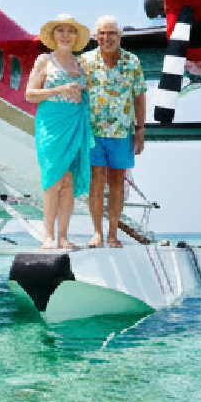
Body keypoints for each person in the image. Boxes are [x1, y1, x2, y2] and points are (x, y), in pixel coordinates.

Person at [25, 14, 94, 250]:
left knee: (68, 182)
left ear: (76, 37)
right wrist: (60, 89)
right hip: (51, 124)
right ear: (53, 35)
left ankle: (63, 237)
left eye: (70, 31)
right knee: (53, 179)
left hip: (75, 123)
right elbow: (30, 95)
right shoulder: (44, 60)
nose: (65, 35)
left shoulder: (82, 64)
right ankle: (48, 236)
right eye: (60, 30)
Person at [81, 15, 147, 248]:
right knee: (96, 182)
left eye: (111, 33)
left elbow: (139, 96)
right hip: (93, 131)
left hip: (122, 132)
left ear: (119, 36)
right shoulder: (85, 61)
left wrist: (140, 128)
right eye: (102, 33)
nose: (106, 37)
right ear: (95, 36)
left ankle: (112, 234)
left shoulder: (132, 62)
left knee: (117, 182)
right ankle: (97, 233)